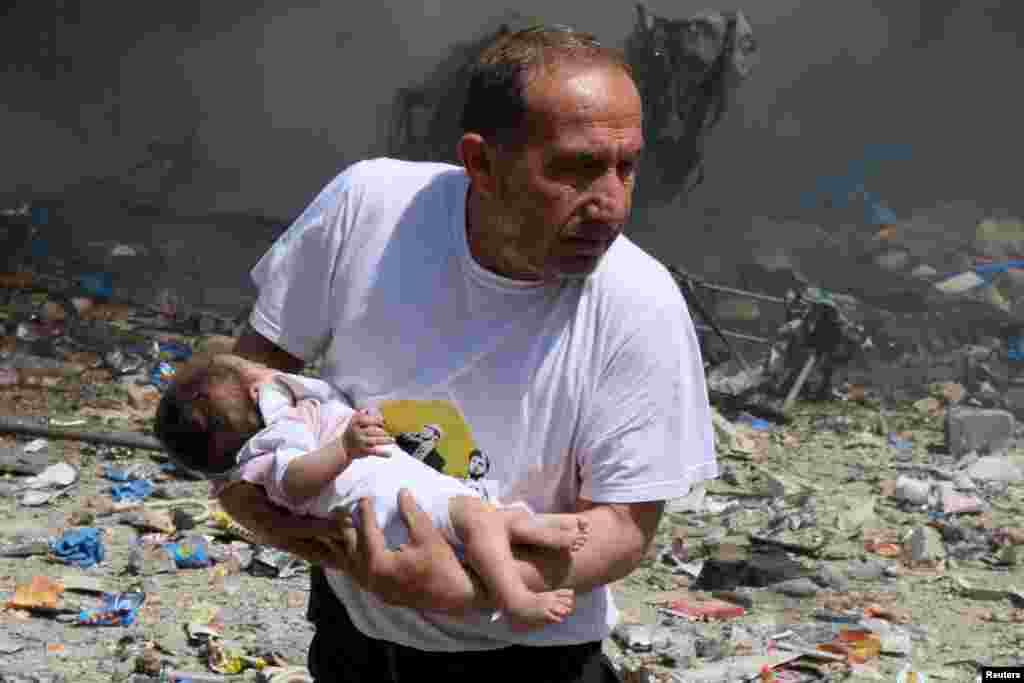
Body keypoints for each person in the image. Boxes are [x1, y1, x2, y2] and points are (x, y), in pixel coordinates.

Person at [217, 24, 717, 683]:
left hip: (531, 659)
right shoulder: (369, 211)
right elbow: (247, 387)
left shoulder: (640, 302)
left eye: (627, 166)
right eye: (575, 168)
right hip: (354, 639)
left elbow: (623, 526)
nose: (611, 203)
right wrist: (298, 528)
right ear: (481, 163)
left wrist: (469, 588)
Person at [154, 353, 587, 629]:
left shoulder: (286, 421)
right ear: (254, 402)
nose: (265, 378)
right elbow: (295, 480)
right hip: (392, 514)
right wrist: (343, 450)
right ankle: (514, 597)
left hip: (413, 494)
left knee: (483, 518)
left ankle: (522, 527)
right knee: (476, 522)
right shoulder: (269, 450)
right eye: (256, 382)